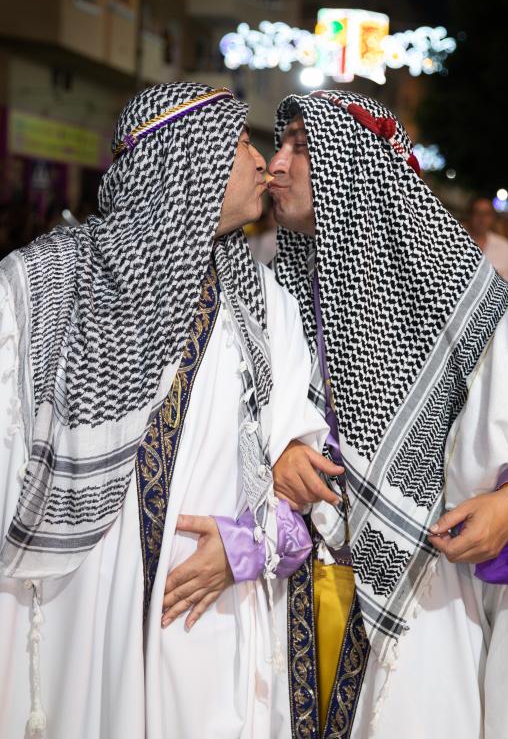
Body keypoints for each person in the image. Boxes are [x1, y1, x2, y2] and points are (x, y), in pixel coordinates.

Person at [0, 82, 334, 738]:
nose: (262, 161)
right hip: (73, 611)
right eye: (240, 144)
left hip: (201, 623)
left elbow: (306, 501)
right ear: (187, 162)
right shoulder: (40, 288)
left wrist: (249, 546)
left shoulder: (264, 304)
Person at [268, 89, 508, 739]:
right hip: (281, 593)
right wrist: (279, 446)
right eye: (278, 147)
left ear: (352, 167)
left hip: (424, 608)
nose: (275, 165)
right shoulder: (269, 292)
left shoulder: (477, 309)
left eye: (299, 149)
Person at [466, 195, 508, 287]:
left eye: (486, 214)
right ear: (469, 215)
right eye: (477, 213)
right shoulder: (458, 242)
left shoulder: (505, 246)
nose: (481, 219)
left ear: (492, 218)